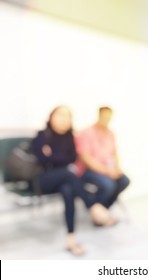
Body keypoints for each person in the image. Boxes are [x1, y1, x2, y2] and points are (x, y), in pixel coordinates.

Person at [31, 106, 85, 256]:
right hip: (42, 180)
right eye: (60, 115)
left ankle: (70, 239)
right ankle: (92, 205)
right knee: (69, 173)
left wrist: (52, 155)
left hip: (62, 179)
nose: (64, 119)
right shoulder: (42, 135)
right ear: (52, 117)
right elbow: (42, 159)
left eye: (68, 116)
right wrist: (59, 158)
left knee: (68, 189)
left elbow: (72, 158)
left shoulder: (69, 137)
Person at [75, 106, 130, 224]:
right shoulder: (87, 133)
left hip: (108, 169)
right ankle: (98, 216)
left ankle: (101, 211)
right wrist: (107, 172)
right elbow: (86, 159)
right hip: (89, 170)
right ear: (99, 115)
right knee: (108, 185)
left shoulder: (110, 134)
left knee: (124, 180)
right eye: (105, 117)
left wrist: (116, 169)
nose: (107, 120)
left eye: (109, 118)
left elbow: (114, 153)